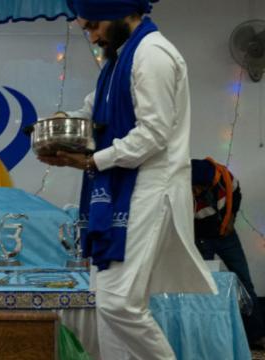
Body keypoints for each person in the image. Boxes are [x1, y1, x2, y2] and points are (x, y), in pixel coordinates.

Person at [37, 0, 216, 359]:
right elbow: (92, 108)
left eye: (93, 26)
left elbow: (153, 134)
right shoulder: (118, 61)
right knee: (106, 304)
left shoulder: (152, 55)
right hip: (121, 189)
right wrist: (61, 124)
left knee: (120, 305)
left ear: (116, 11)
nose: (92, 35)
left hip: (149, 188)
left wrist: (91, 160)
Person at [192, 157, 265, 348]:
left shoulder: (225, 178)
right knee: (204, 288)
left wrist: (231, 217)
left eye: (199, 188)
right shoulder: (183, 189)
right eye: (194, 187)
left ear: (208, 183)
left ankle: (257, 336)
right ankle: (208, 338)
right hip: (201, 240)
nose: (197, 191)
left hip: (227, 236)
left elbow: (237, 194)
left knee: (245, 283)